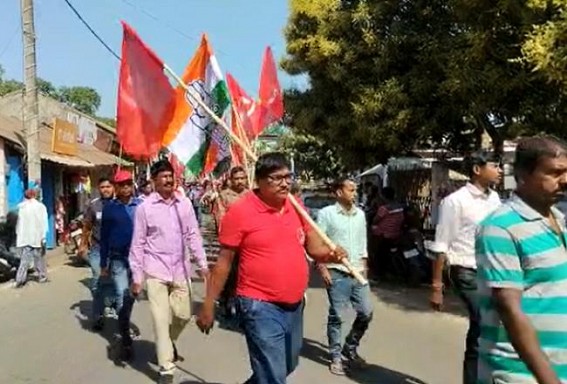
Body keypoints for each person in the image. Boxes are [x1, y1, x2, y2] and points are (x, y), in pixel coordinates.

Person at [197, 152, 347, 384]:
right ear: (259, 181)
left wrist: (332, 255)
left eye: (288, 177)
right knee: (273, 377)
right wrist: (208, 304)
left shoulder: (296, 207)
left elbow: (314, 247)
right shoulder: (240, 212)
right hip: (258, 305)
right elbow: (224, 262)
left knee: (287, 364)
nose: (285, 182)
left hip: (294, 305)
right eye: (276, 178)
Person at [476, 136, 567, 384]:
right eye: (555, 172)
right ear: (523, 174)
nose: (565, 180)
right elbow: (509, 309)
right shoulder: (500, 227)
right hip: (520, 374)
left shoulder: (558, 221)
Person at [129, 159, 209, 384]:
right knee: (160, 320)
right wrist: (137, 277)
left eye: (170, 175)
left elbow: (193, 234)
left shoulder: (183, 204)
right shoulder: (145, 208)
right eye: (163, 176)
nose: (168, 179)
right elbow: (138, 243)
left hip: (181, 269)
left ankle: (168, 341)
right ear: (154, 181)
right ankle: (166, 367)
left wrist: (202, 264)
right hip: (155, 271)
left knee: (183, 315)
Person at [429, 150, 502, 384]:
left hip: (492, 270)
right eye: (494, 165)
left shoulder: (495, 199)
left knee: (487, 329)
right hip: (465, 270)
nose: (499, 170)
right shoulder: (455, 201)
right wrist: (437, 286)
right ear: (477, 170)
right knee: (482, 319)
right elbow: (441, 244)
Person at [316, 178, 372, 375]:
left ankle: (351, 345)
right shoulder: (326, 214)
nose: (354, 193)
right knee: (337, 316)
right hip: (336, 271)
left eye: (355, 190)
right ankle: (336, 356)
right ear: (339, 193)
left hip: (358, 271)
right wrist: (322, 267)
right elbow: (318, 243)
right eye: (351, 190)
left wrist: (364, 265)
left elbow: (362, 241)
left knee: (366, 312)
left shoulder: (360, 215)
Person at [98, 169, 142, 361]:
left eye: (128, 184)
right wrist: (103, 262)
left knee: (131, 297)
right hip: (117, 259)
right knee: (122, 296)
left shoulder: (142, 206)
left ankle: (125, 322)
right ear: (116, 188)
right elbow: (105, 237)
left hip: (138, 260)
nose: (125, 187)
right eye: (121, 184)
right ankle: (125, 340)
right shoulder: (109, 209)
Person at [79, 177, 116, 324]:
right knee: (97, 279)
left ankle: (110, 304)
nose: (105, 189)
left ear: (113, 187)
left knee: (114, 280)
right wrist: (82, 245)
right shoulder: (94, 206)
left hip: (115, 250)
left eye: (108, 186)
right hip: (97, 249)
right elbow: (87, 226)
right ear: (99, 189)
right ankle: (98, 313)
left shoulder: (119, 204)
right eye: (102, 187)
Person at [14, 188, 48, 288]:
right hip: (37, 237)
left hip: (25, 237)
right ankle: (42, 276)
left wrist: (18, 234)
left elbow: (18, 223)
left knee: (24, 260)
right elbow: (44, 222)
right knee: (39, 258)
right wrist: (44, 236)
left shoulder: (21, 207)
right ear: (35, 195)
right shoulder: (40, 207)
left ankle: (20, 279)